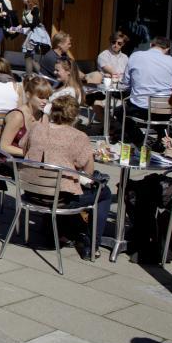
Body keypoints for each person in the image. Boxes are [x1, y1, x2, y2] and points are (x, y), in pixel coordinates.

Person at [22, 95, 111, 259]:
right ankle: (91, 246)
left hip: (30, 192)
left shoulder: (36, 128)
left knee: (54, 179)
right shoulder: (78, 136)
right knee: (104, 193)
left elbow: (24, 150)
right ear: (75, 116)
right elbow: (88, 172)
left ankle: (53, 234)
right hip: (57, 198)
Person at [121, 35, 172, 144]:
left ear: (151, 45)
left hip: (139, 109)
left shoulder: (135, 56)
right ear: (167, 49)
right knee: (166, 110)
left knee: (119, 111)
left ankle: (140, 141)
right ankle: (162, 141)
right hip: (163, 111)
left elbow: (125, 83)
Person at [17, 0, 49, 75]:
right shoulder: (25, 9)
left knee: (28, 54)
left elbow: (35, 23)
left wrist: (22, 26)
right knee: (29, 55)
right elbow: (26, 23)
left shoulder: (35, 9)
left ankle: (30, 75)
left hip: (35, 34)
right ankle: (41, 74)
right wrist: (18, 27)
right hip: (29, 34)